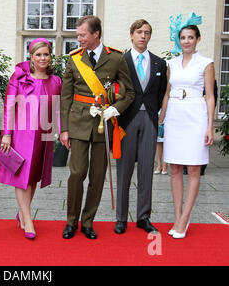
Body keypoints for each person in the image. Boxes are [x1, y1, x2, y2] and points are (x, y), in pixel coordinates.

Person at [60, 15, 135, 239]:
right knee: (77, 173)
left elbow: (129, 93)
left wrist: (116, 109)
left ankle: (88, 221)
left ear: (96, 34)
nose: (79, 38)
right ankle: (71, 221)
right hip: (79, 121)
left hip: (104, 123)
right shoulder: (74, 59)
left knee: (98, 175)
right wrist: (64, 128)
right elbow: (66, 97)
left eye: (83, 35)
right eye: (78, 34)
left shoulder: (116, 58)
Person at [0, 38, 62, 239]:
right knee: (22, 176)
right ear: (31, 57)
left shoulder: (56, 81)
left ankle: (23, 212)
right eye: (38, 54)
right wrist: (6, 134)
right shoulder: (19, 78)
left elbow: (58, 109)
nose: (42, 58)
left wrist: (60, 130)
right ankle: (28, 219)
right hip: (21, 133)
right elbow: (8, 106)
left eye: (46, 54)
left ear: (50, 57)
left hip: (44, 134)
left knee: (33, 177)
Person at [159, 13, 215, 239]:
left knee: (193, 168)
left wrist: (210, 126)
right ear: (178, 40)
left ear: (198, 39)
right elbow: (167, 92)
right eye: (183, 37)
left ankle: (185, 218)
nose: (186, 41)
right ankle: (178, 215)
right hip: (175, 114)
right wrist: (161, 118)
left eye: (191, 37)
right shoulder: (171, 63)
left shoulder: (206, 63)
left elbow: (210, 97)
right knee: (174, 168)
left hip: (196, 114)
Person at [114, 19, 167, 235]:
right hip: (127, 118)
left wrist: (160, 114)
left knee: (147, 169)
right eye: (139, 32)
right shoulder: (120, 61)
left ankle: (143, 217)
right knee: (124, 170)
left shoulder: (159, 63)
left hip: (150, 119)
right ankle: (121, 219)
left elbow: (161, 91)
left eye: (146, 32)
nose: (142, 36)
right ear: (131, 35)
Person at [154, 111, 169, 175]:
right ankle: (159, 164)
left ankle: (165, 164)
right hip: (158, 112)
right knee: (159, 140)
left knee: (167, 141)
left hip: (169, 113)